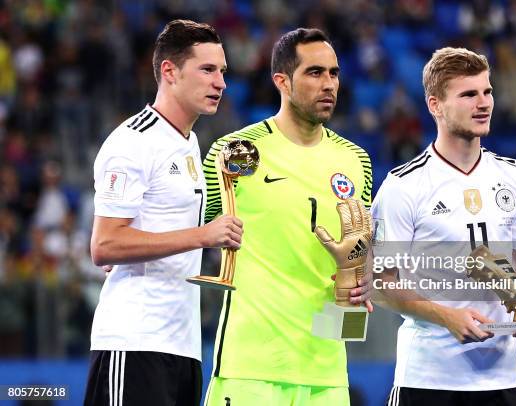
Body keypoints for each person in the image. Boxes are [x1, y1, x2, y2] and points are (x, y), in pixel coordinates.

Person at [371, 47, 516, 406]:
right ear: (435, 105)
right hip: (428, 379)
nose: (483, 102)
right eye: (468, 94)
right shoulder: (403, 186)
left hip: (503, 380)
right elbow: (383, 283)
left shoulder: (514, 177)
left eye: (487, 91)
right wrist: (447, 317)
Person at [202, 28, 373, 405]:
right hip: (251, 367)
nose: (329, 84)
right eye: (315, 73)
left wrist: (362, 280)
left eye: (334, 73)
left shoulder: (355, 160)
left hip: (326, 372)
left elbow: (357, 257)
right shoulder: (236, 152)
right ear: (282, 81)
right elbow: (193, 230)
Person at [84, 20, 243, 406]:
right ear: (169, 72)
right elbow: (104, 244)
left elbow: (141, 233)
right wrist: (203, 235)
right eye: (207, 70)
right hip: (134, 342)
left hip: (182, 345)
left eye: (222, 71)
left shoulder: (189, 143)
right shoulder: (133, 142)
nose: (220, 82)